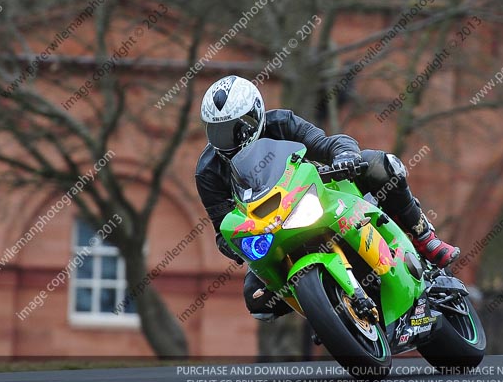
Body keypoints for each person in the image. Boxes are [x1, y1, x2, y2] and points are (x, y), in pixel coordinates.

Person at [194, 75, 460, 320]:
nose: (228, 138)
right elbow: (222, 226)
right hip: (269, 227)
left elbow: (325, 143)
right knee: (258, 298)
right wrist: (234, 243)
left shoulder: (282, 123)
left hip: (315, 195)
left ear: (256, 115)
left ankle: (424, 237)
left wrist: (345, 155)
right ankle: (327, 309)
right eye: (217, 131)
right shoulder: (207, 171)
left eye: (236, 127)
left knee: (379, 165)